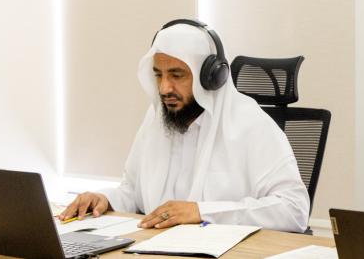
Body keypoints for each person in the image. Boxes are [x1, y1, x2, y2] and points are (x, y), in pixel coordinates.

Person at [59, 19, 310, 232]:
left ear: (210, 77)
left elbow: (294, 209)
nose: (164, 88)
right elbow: (134, 192)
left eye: (177, 75)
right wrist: (104, 198)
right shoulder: (158, 117)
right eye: (158, 75)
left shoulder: (250, 124)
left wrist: (202, 212)